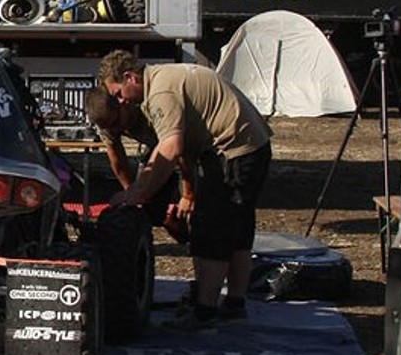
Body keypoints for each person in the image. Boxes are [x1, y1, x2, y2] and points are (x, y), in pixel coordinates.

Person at [98, 51, 271, 330]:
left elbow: (170, 147)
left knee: (211, 229)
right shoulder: (164, 77)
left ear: (131, 77)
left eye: (119, 93)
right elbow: (185, 151)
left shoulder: (160, 92)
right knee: (237, 228)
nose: (121, 100)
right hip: (247, 146)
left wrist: (138, 193)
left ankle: (205, 312)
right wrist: (187, 193)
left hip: (233, 150)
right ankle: (234, 304)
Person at [84, 86, 193, 238]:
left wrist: (188, 195)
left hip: (185, 144)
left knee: (194, 208)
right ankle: (176, 228)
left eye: (116, 122)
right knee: (146, 208)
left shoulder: (148, 105)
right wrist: (131, 194)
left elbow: (181, 151)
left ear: (122, 103)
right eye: (109, 128)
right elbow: (117, 160)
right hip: (157, 148)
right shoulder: (108, 122)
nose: (115, 129)